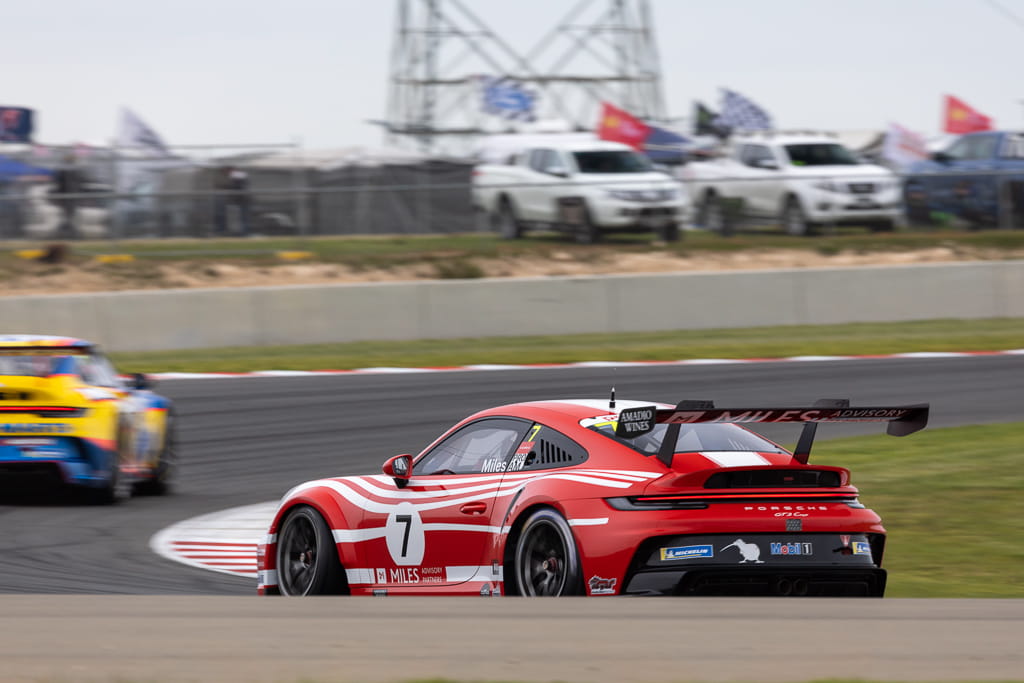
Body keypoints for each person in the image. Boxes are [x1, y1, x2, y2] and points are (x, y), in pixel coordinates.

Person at [213, 165, 252, 236]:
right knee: (236, 217)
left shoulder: (238, 175)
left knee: (243, 218)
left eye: (227, 170)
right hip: (236, 201)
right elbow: (228, 186)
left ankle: (244, 233)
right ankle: (238, 232)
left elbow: (236, 186)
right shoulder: (234, 176)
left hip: (242, 200)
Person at [52, 152, 83, 238]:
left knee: (69, 216)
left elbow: (78, 182)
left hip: (70, 196)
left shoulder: (73, 169)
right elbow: (59, 183)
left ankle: (68, 232)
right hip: (66, 196)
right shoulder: (64, 169)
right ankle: (66, 232)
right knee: (67, 216)